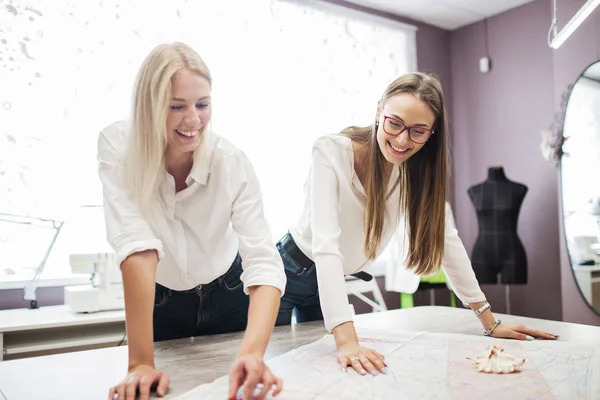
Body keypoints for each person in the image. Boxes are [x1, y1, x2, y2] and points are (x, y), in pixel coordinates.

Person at [275, 72, 558, 377]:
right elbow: (326, 245)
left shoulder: (414, 174)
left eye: (417, 131)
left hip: (329, 283)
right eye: (394, 123)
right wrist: (347, 342)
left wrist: (490, 323)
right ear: (379, 109)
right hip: (287, 274)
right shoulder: (330, 151)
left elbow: (447, 241)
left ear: (431, 134)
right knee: (273, 366)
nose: (401, 140)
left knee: (320, 376)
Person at [98, 42, 286, 400]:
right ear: (148, 107)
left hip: (228, 291)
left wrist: (253, 353)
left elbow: (263, 262)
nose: (193, 120)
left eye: (203, 104)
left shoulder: (231, 162)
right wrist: (139, 363)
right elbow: (135, 242)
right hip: (162, 299)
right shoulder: (117, 146)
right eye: (176, 107)